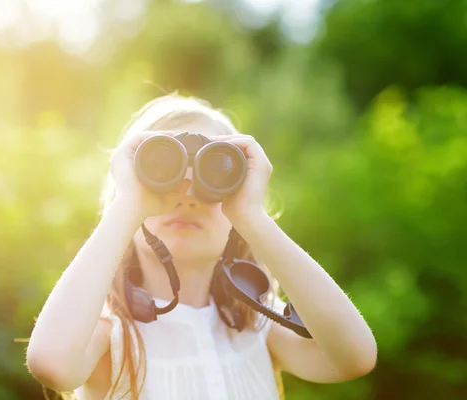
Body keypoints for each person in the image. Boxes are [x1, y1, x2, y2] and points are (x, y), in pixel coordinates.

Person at [25, 94, 378, 400]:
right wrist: (128, 206)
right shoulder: (109, 332)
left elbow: (354, 357)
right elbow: (52, 364)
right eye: (164, 172)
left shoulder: (255, 325)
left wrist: (252, 217)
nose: (187, 196)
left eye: (215, 175)